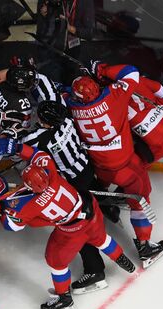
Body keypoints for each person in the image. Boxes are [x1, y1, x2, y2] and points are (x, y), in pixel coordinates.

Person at [0, 142, 135, 309]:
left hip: (72, 231)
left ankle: (65, 300)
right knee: (101, 239)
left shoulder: (30, 204)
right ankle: (123, 260)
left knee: (56, 261)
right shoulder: (51, 172)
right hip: (90, 212)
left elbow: (12, 225)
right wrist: (16, 147)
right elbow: (37, 154)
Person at [66, 63, 163, 269]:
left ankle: (110, 206)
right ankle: (145, 248)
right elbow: (131, 72)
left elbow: (65, 92)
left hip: (98, 166)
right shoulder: (113, 95)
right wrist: (101, 69)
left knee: (103, 186)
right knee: (140, 200)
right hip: (126, 167)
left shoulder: (71, 105)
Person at [20, 100, 126, 293]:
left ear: (45, 122)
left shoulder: (39, 138)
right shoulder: (67, 120)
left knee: (80, 228)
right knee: (92, 201)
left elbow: (21, 147)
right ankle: (110, 209)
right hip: (85, 168)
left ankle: (95, 271)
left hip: (72, 182)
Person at [36, 0, 95, 84]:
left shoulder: (85, 2)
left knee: (68, 84)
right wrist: (44, 11)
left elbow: (89, 33)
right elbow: (41, 27)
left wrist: (69, 27)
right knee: (49, 83)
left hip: (71, 51)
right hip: (49, 50)